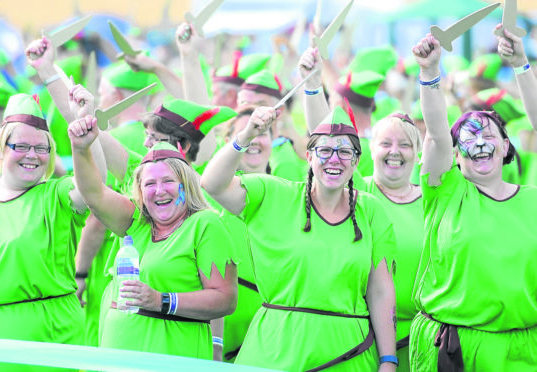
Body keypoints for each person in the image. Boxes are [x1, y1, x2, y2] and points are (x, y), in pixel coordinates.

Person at [201, 105, 397, 371]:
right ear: (308, 156)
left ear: (355, 160)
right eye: (324, 151)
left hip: (348, 355)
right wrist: (246, 135)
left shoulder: (371, 210)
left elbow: (381, 290)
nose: (334, 159)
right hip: (276, 351)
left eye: (344, 152)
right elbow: (212, 184)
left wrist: (388, 360)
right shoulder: (272, 194)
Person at [410, 33, 537, 371]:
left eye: (488, 135)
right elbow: (437, 133)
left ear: (506, 145)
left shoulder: (532, 200)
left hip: (522, 350)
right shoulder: (446, 191)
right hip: (455, 350)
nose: (479, 142)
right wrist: (430, 72)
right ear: (455, 154)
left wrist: (521, 65)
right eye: (468, 137)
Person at [68, 115, 238, 359]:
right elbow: (94, 194)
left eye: (168, 181)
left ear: (186, 185)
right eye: (149, 184)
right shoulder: (135, 222)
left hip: (174, 355)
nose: (159, 191)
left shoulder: (204, 224)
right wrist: (80, 147)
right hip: (118, 358)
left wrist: (161, 301)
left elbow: (225, 299)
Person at [0, 90, 106, 372]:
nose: (32, 156)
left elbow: (96, 188)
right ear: (1, 148)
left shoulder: (57, 195)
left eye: (42, 148)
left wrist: (84, 130)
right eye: (21, 146)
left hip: (55, 340)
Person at [361, 113, 423, 372]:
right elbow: (324, 128)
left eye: (405, 145)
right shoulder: (357, 193)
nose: (395, 151)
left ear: (418, 154)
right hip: (365, 341)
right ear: (371, 148)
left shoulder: (434, 201)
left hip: (424, 342)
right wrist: (314, 87)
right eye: (386, 143)